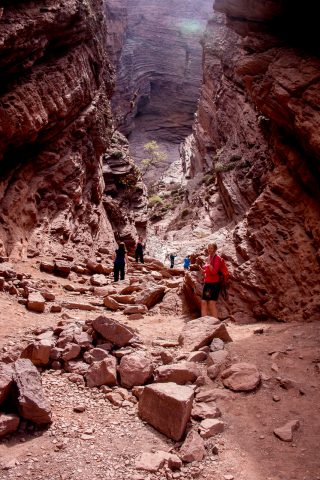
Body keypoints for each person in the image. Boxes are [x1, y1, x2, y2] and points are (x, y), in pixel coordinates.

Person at [201, 243, 221, 318]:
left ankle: (215, 323)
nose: (209, 250)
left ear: (215, 249)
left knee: (212, 303)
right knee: (203, 302)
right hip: (208, 283)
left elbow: (215, 272)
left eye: (211, 248)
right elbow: (207, 271)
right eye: (209, 248)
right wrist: (203, 271)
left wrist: (209, 264)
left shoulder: (217, 258)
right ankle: (204, 322)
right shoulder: (207, 258)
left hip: (215, 284)